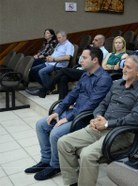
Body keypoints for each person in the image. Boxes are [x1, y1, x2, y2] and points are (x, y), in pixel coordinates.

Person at [58, 55, 138, 186]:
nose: (124, 69)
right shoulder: (117, 84)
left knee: (87, 155)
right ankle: (72, 182)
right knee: (63, 142)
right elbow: (103, 103)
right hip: (100, 125)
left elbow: (134, 119)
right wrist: (97, 117)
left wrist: (107, 124)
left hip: (120, 133)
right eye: (124, 65)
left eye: (128, 67)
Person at [24, 47, 112, 181]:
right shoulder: (85, 74)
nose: (80, 60)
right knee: (41, 124)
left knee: (56, 132)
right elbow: (72, 95)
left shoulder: (104, 79)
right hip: (74, 112)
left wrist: (67, 118)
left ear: (95, 60)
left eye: (84, 57)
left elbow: (91, 105)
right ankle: (46, 160)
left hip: (86, 117)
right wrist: (58, 111)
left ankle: (55, 165)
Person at [31, 34, 109, 99]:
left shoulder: (104, 52)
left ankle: (45, 89)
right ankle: (61, 101)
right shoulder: (91, 50)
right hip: (81, 69)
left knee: (63, 70)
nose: (93, 41)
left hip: (90, 72)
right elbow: (80, 61)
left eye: (96, 40)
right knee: (63, 77)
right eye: (93, 40)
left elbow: (99, 66)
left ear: (102, 42)